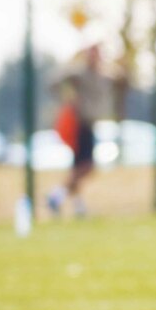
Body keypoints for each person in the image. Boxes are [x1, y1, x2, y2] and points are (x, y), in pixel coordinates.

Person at [48, 45, 113, 218]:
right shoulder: (79, 73)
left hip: (91, 124)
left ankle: (77, 206)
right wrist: (66, 98)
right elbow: (55, 81)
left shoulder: (102, 75)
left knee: (78, 168)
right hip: (80, 125)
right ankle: (56, 196)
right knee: (87, 166)